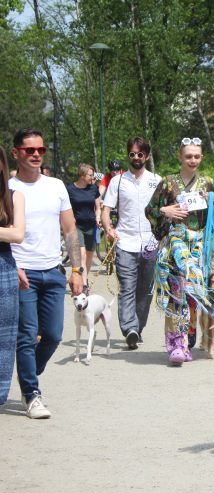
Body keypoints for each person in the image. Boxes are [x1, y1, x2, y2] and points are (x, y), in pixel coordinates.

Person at [10, 129, 83, 419]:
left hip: (53, 271)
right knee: (27, 335)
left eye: (41, 149)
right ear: (16, 153)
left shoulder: (56, 186)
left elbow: (70, 229)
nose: (36, 154)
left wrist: (77, 270)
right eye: (29, 150)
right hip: (22, 272)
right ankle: (32, 394)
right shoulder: (8, 188)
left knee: (53, 335)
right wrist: (12, 266)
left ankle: (27, 371)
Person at [146, 137, 214, 366]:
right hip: (176, 245)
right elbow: (150, 210)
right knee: (176, 293)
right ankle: (175, 345)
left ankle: (188, 341)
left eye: (197, 156)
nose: (193, 160)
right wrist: (165, 210)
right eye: (188, 156)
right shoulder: (168, 183)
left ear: (201, 158)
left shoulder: (207, 183)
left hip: (198, 247)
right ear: (180, 157)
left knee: (194, 294)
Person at [101, 137, 162, 350]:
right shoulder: (118, 181)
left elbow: (165, 209)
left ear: (147, 156)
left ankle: (138, 328)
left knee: (145, 290)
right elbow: (106, 209)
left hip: (150, 243)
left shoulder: (157, 181)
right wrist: (109, 229)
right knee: (127, 287)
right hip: (125, 242)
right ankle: (129, 329)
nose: (136, 157)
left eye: (140, 154)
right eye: (132, 154)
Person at [0, 146, 25, 408]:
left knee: (5, 336)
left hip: (3, 267)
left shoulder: (13, 196)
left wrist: (8, 232)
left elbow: (17, 234)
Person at [67, 163, 102, 292]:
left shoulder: (93, 188)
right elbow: (66, 208)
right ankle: (84, 285)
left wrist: (98, 217)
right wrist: (70, 218)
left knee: (89, 256)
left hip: (91, 226)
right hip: (77, 226)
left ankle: (84, 278)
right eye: (90, 175)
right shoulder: (70, 189)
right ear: (82, 175)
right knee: (81, 255)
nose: (93, 177)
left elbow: (98, 207)